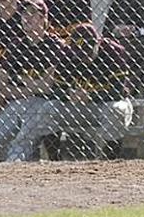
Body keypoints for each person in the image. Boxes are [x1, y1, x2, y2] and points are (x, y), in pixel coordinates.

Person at [0, 0, 66, 163]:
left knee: (29, 115)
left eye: (33, 13)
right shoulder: (16, 45)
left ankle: (14, 160)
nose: (27, 18)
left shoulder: (55, 44)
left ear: (43, 18)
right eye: (24, 13)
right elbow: (2, 86)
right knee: (0, 125)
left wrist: (20, 85)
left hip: (47, 103)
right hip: (21, 102)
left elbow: (48, 86)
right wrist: (31, 86)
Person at [46, 23, 133, 160]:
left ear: (98, 43)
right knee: (47, 108)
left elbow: (118, 92)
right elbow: (55, 90)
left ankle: (110, 160)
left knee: (116, 110)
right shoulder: (66, 54)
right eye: (80, 54)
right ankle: (54, 159)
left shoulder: (114, 52)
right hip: (76, 106)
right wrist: (69, 95)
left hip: (105, 105)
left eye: (88, 52)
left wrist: (90, 96)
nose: (84, 58)